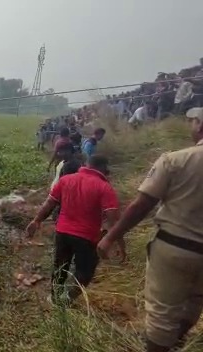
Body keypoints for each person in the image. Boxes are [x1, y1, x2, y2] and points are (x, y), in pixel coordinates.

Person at [97, 107, 203, 352]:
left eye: (193, 121)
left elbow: (142, 205)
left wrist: (112, 236)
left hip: (175, 247)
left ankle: (161, 346)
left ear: (199, 126)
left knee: (161, 315)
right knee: (194, 302)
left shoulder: (175, 160)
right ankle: (175, 342)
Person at [26, 155, 124, 304]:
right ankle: (66, 300)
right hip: (87, 237)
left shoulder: (66, 180)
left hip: (62, 233)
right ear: (104, 168)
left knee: (60, 267)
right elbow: (114, 219)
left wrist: (36, 220)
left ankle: (54, 298)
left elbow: (49, 204)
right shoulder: (104, 187)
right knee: (85, 271)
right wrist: (119, 242)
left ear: (86, 164)